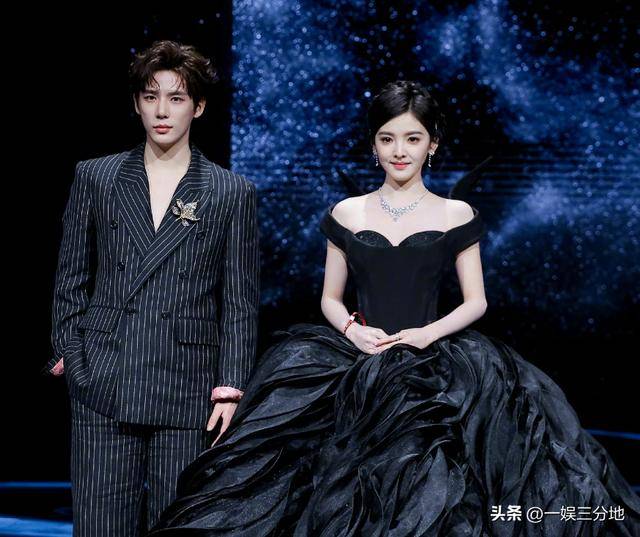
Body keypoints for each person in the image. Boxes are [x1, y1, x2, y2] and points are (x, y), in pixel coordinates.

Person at [149, 81, 640, 536]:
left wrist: (427, 334)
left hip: (434, 360)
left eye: (412, 138)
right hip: (357, 356)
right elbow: (329, 298)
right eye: (387, 139)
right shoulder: (347, 212)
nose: (399, 150)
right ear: (374, 145)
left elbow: (477, 301)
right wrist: (353, 331)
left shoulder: (456, 213)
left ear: (432, 145)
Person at [42, 40, 260, 535]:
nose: (162, 111)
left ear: (198, 107)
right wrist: (69, 352)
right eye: (150, 96)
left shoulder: (230, 191)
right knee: (99, 526)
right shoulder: (96, 176)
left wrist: (230, 385)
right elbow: (71, 275)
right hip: (103, 375)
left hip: (189, 384)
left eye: (176, 98)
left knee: (179, 524)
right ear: (136, 103)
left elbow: (239, 300)